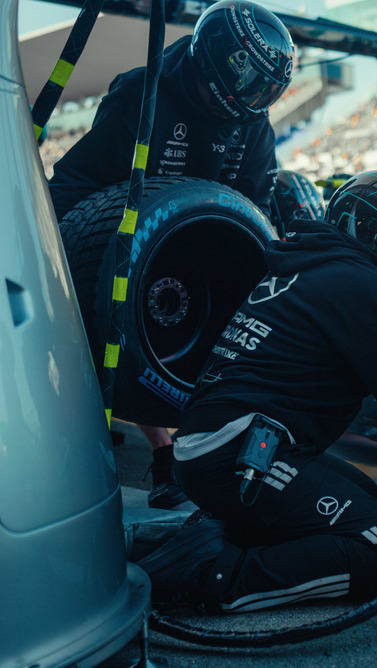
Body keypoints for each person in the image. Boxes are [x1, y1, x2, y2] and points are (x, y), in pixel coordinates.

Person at [136, 171, 377, 611]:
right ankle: (207, 580)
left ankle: (218, 536)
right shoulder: (361, 283)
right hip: (236, 454)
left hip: (220, 444)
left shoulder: (309, 266)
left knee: (363, 493)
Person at [47, 0, 294, 510]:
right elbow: (78, 181)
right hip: (128, 248)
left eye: (270, 91)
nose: (259, 100)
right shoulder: (142, 92)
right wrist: (53, 256)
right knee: (129, 318)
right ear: (223, 62)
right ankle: (162, 450)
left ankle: (217, 442)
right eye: (254, 84)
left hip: (201, 252)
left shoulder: (254, 127)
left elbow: (258, 216)